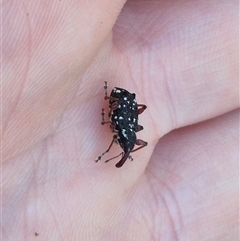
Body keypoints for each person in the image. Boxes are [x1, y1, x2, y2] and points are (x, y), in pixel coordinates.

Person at [3, 0, 238, 240]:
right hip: (121, 99)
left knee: (114, 124)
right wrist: (107, 144)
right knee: (112, 124)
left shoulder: (127, 134)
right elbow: (112, 126)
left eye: (125, 151)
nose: (126, 151)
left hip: (123, 103)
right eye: (126, 151)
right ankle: (111, 102)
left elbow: (117, 127)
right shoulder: (125, 133)